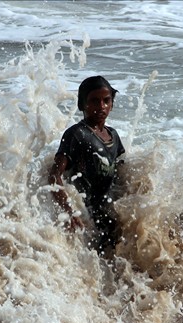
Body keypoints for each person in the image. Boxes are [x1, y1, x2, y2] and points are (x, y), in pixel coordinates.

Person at [49, 76, 125, 257]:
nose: (101, 106)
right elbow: (54, 176)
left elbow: (121, 176)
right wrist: (70, 212)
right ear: (82, 105)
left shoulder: (113, 136)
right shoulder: (76, 134)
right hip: (87, 219)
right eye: (94, 101)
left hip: (107, 215)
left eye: (106, 101)